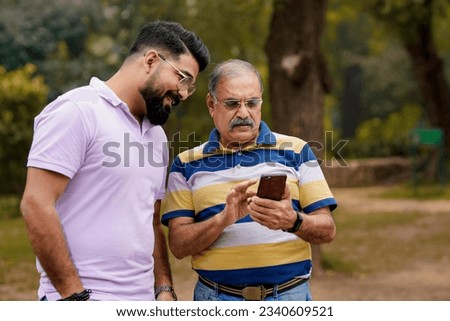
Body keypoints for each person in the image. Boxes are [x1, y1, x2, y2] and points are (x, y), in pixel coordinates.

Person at [20, 21, 210, 301]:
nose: (183, 93)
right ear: (151, 60)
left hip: (142, 301)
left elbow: (152, 220)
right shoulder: (77, 111)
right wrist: (74, 298)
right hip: (84, 299)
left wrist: (164, 287)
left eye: (189, 87)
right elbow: (36, 203)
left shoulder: (157, 136)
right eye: (182, 79)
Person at [161, 59, 337, 301]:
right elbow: (179, 246)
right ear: (212, 104)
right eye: (232, 103)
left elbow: (327, 230)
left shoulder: (298, 151)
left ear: (260, 104)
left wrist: (292, 220)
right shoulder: (185, 164)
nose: (243, 113)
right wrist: (224, 218)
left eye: (252, 103)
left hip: (288, 297)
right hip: (217, 299)